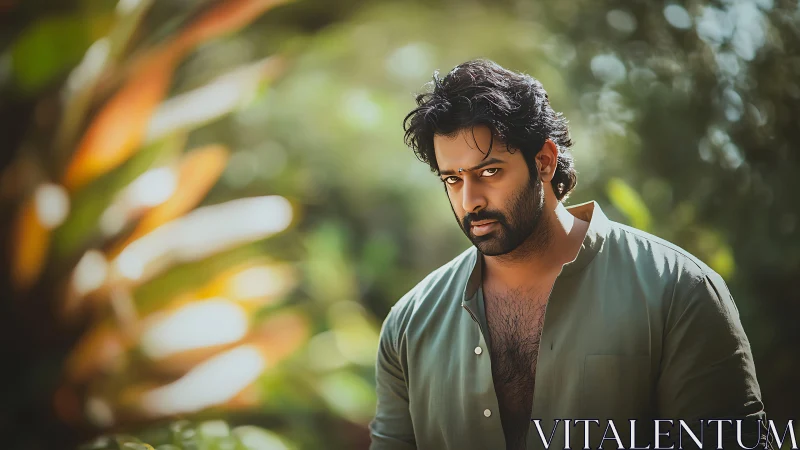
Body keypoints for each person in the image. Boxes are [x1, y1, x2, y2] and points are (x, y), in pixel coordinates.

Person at [369, 59, 772, 450]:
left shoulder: (678, 292)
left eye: (489, 172)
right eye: (453, 180)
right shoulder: (410, 324)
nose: (470, 200)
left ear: (544, 162)